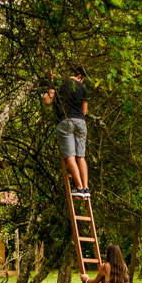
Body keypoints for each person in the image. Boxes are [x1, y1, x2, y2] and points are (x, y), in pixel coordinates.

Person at [42, 65, 90, 197]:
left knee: (70, 156)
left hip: (65, 121)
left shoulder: (58, 83)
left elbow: (47, 100)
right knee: (81, 156)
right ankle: (85, 188)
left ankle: (79, 188)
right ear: (80, 77)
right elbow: (84, 112)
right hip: (80, 122)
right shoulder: (83, 88)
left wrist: (48, 92)